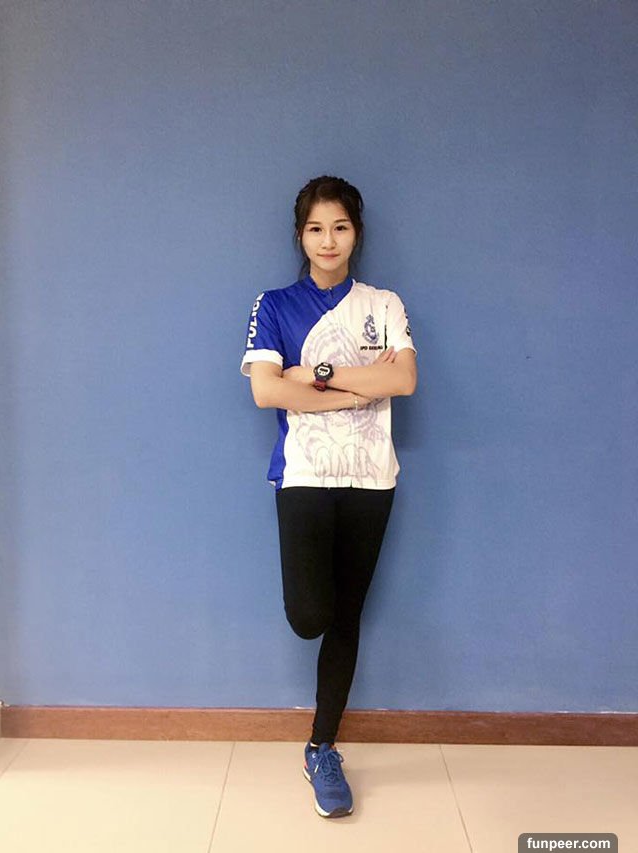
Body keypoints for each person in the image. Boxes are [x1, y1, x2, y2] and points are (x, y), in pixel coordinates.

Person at [240, 175, 417, 818]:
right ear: (301, 236)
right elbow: (266, 390)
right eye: (316, 228)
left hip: (372, 478)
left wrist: (317, 377)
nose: (328, 240)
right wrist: (360, 388)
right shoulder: (274, 304)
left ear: (356, 234)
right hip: (306, 474)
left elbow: (404, 378)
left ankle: (322, 748)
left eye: (340, 227)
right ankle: (320, 743)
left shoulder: (384, 303)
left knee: (346, 618)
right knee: (309, 615)